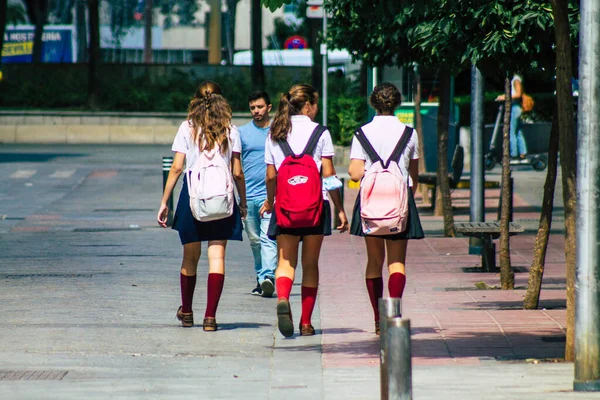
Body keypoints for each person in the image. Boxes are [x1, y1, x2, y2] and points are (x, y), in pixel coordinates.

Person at [157, 80, 247, 332]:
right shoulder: (231, 130)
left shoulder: (187, 128)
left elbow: (176, 167)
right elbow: (237, 172)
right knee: (216, 256)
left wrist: (165, 202)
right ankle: (210, 317)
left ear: (195, 101)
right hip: (222, 198)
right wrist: (243, 202)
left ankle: (186, 311)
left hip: (192, 198)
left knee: (190, 257)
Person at [260, 84, 349, 338]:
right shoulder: (321, 133)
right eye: (316, 104)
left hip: (285, 208)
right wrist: (340, 208)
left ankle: (284, 297)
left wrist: (271, 201)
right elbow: (329, 175)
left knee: (286, 262)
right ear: (308, 105)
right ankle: (306, 322)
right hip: (315, 207)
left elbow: (270, 176)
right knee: (310, 264)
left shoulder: (275, 132)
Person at [348, 82, 423, 335]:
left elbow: (355, 173)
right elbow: (413, 175)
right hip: (399, 202)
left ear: (373, 103)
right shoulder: (409, 133)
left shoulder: (362, 133)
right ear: (397, 103)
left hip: (371, 204)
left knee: (374, 261)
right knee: (397, 262)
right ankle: (395, 310)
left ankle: (378, 320)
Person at [238, 91, 277, 297]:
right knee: (255, 241)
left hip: (270, 196)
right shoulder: (241, 132)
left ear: (269, 107)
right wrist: (240, 200)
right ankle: (261, 278)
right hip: (248, 196)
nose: (256, 111)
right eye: (252, 107)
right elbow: (236, 165)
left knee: (268, 238)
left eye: (260, 107)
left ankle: (268, 276)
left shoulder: (278, 131)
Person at [495, 74, 528, 159]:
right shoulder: (514, 79)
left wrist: (504, 97)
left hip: (514, 107)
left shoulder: (516, 79)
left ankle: (513, 154)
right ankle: (522, 153)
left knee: (511, 131)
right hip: (515, 107)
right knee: (518, 131)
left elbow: (518, 94)